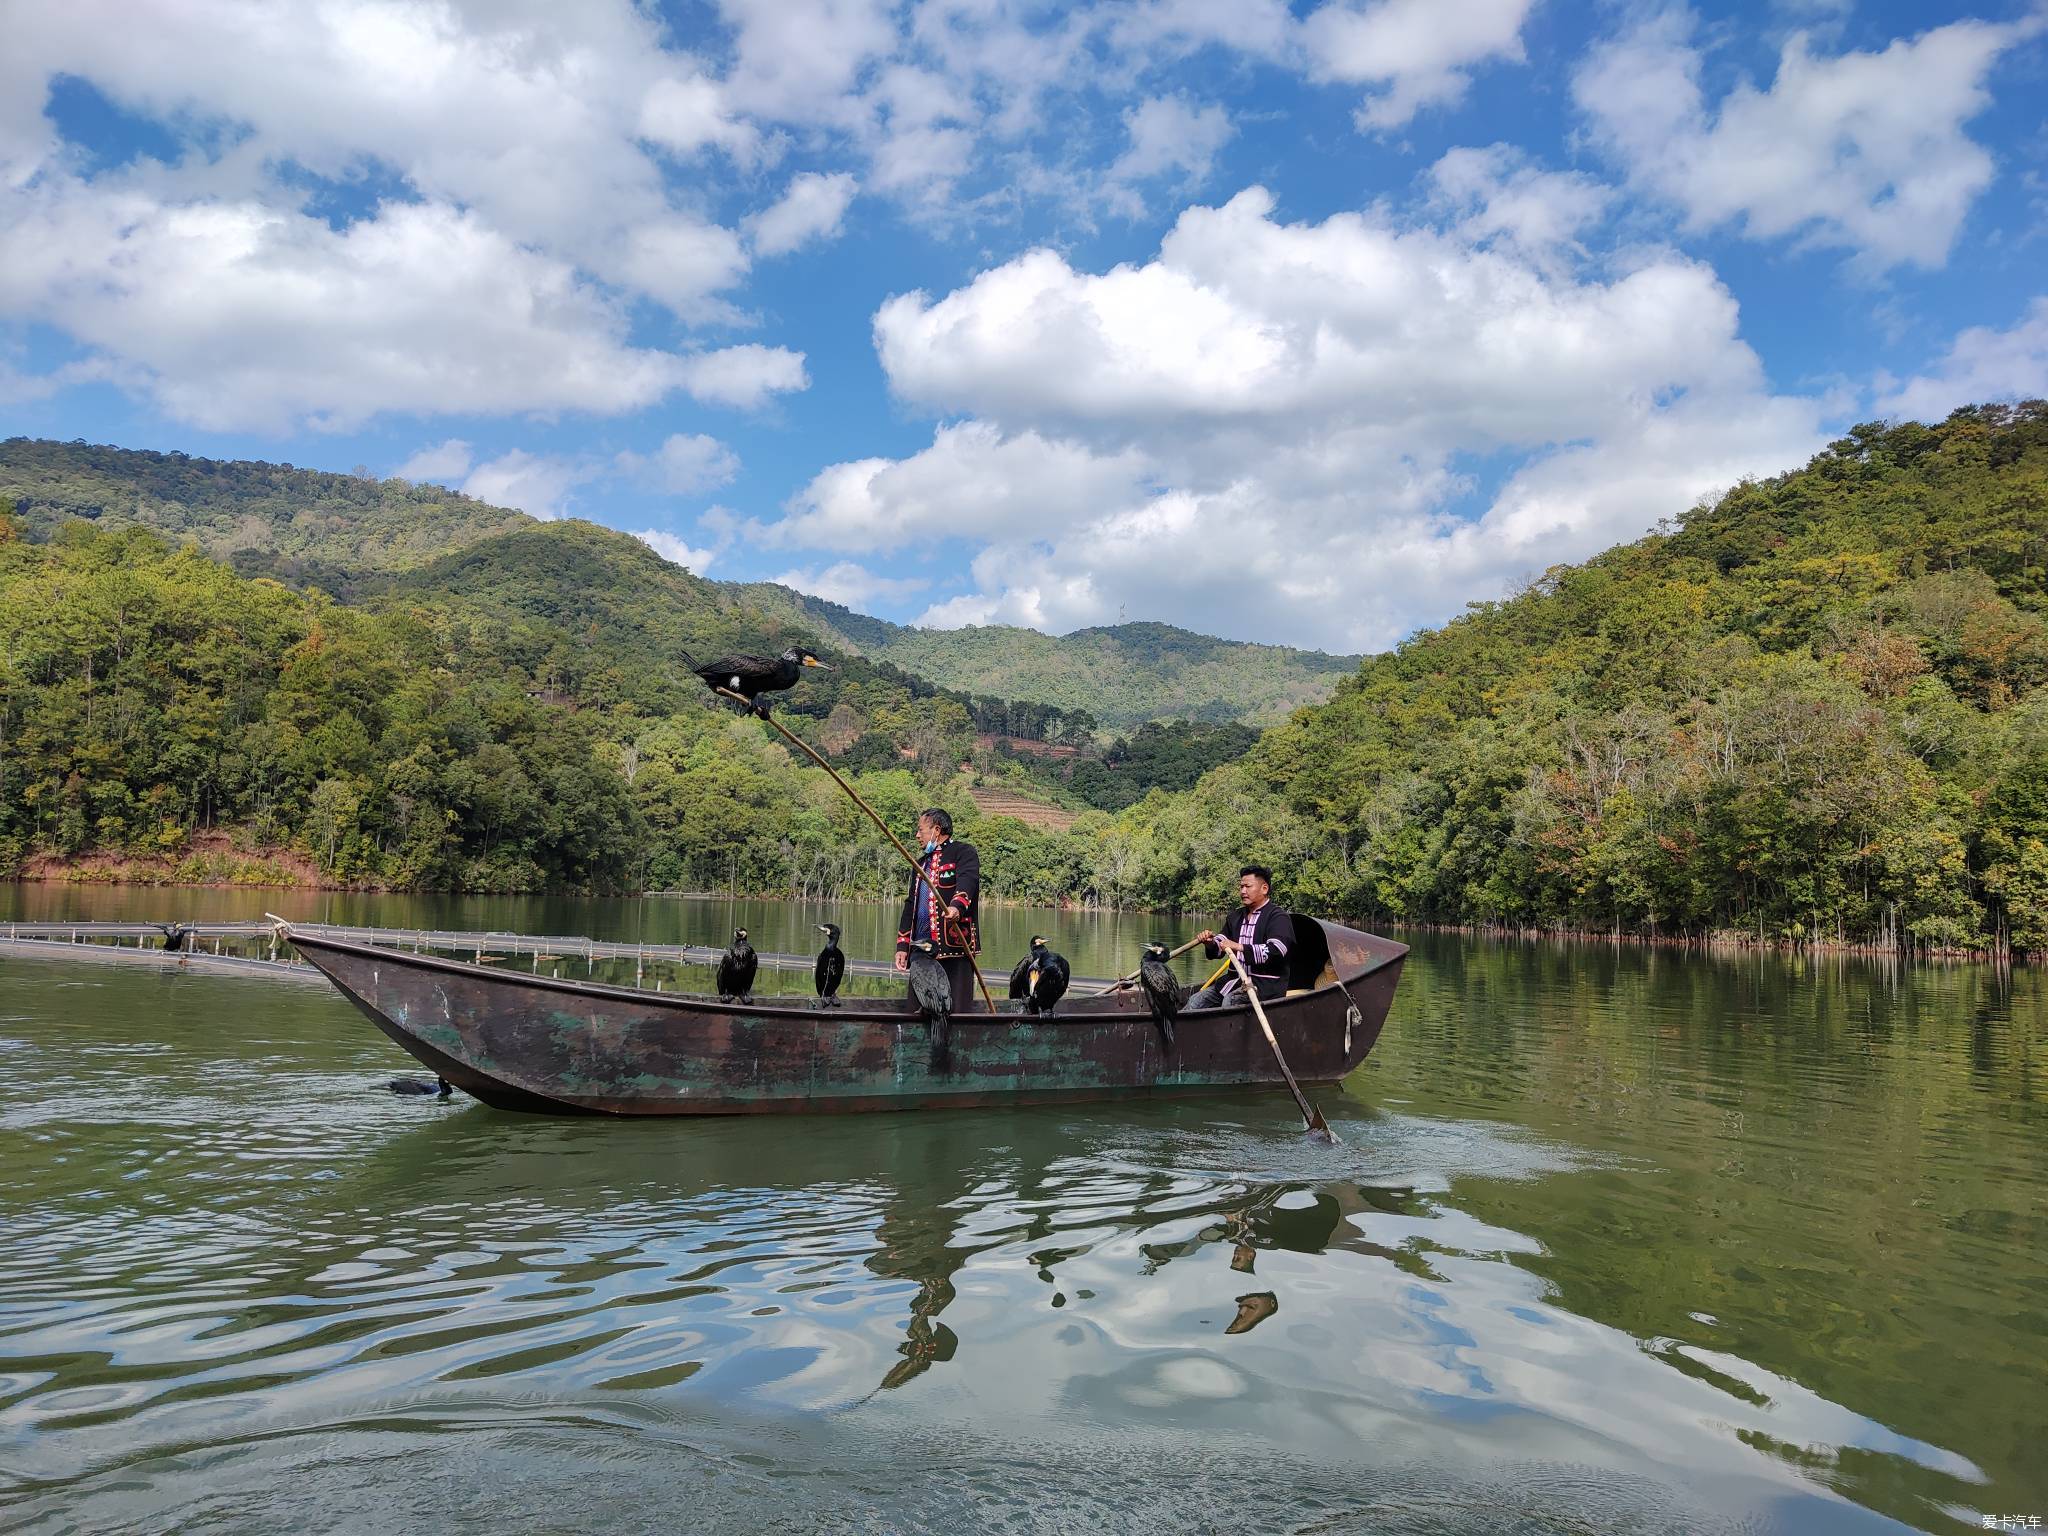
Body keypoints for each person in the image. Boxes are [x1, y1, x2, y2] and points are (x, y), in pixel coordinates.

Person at [895, 808, 981, 1012]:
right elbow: (911, 904)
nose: (917, 836)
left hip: (954, 946)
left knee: (956, 1008)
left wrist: (956, 907)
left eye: (920, 830)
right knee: (917, 1007)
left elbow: (968, 882)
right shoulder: (920, 863)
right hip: (920, 949)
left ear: (936, 830)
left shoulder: (963, 852)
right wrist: (902, 945)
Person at [1184, 865, 1296, 1011]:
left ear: (1264, 889)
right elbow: (1220, 946)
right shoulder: (1235, 917)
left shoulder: (1278, 917)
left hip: (1264, 985)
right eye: (1241, 887)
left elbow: (1277, 949)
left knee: (1230, 1002)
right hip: (1233, 982)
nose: (1243, 891)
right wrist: (1210, 943)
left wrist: (1240, 947)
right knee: (1195, 1001)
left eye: (1248, 886)